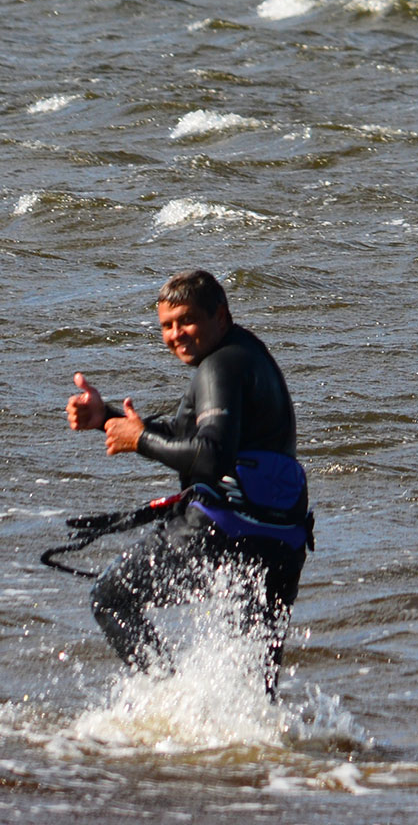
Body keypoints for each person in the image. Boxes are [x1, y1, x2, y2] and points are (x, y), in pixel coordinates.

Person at [65, 269, 311, 691]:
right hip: (282, 545)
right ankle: (258, 753)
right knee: (254, 686)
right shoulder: (247, 354)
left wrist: (138, 439)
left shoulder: (217, 368)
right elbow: (189, 437)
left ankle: (171, 698)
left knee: (112, 597)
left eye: (186, 320)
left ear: (221, 315)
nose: (176, 334)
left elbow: (211, 456)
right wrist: (106, 417)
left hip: (221, 533)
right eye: (166, 325)